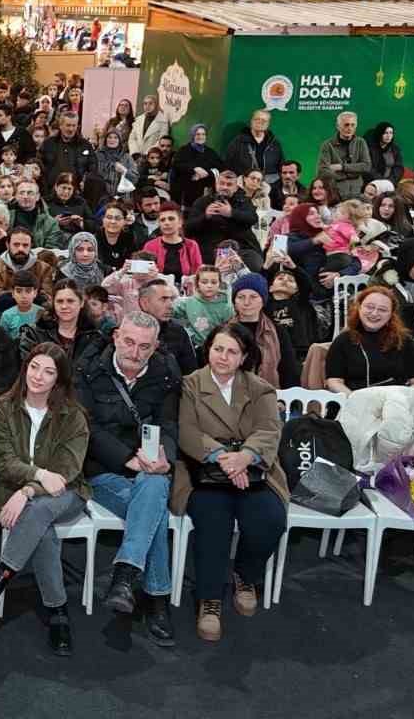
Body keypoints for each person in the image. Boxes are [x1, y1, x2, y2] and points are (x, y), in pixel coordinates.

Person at [0, 343, 90, 656]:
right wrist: (36, 477)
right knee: (43, 531)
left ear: (59, 379)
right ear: (25, 368)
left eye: (49, 371)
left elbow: (67, 471)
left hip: (66, 493)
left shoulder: (74, 415)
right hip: (10, 492)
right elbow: (3, 461)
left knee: (38, 510)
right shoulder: (4, 407)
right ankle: (59, 611)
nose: (39, 376)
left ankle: (0, 580)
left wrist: (28, 490)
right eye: (34, 367)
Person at [174, 322, 287, 643]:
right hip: (203, 471)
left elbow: (269, 430)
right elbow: (187, 431)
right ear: (208, 349)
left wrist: (246, 456)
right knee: (213, 522)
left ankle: (245, 575)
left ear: (244, 356)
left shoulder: (259, 388)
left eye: (232, 351)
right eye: (218, 348)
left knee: (270, 520)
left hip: (253, 469)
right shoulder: (190, 385)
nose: (223, 357)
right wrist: (226, 457)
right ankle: (209, 600)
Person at [74, 311, 178, 646]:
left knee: (156, 485)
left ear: (155, 347)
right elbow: (86, 428)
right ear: (117, 336)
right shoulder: (88, 370)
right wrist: (127, 458)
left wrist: (166, 456)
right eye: (129, 342)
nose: (135, 352)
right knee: (156, 510)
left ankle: (125, 575)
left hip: (150, 469)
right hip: (103, 471)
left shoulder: (165, 375)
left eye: (144, 347)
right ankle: (157, 598)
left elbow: (172, 425)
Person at [324, 285, 414, 393]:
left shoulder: (404, 341)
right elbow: (334, 381)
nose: (375, 313)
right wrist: (353, 398)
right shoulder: (342, 340)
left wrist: (404, 398)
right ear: (359, 307)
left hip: (394, 403)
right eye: (369, 307)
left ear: (391, 315)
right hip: (353, 401)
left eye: (382, 310)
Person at [228, 273, 298, 388]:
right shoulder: (224, 331)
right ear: (234, 302)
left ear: (263, 300)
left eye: (253, 297)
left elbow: (288, 371)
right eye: (241, 297)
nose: (246, 302)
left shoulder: (277, 332)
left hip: (270, 396)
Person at [315, 111, 372, 200]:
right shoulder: (327, 145)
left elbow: (366, 166)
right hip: (336, 192)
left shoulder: (361, 142)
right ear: (338, 126)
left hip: (357, 192)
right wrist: (350, 175)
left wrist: (341, 167)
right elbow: (322, 171)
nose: (349, 128)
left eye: (353, 125)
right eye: (346, 125)